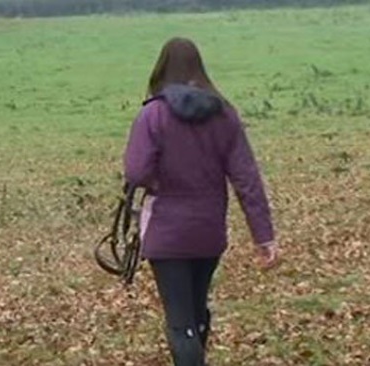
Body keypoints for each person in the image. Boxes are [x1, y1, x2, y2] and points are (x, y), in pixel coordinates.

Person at [123, 37, 278, 365]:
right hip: (209, 231)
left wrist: (156, 181)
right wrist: (263, 235)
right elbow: (246, 178)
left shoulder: (153, 115)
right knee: (197, 312)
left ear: (161, 68)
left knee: (181, 324)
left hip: (166, 232)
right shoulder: (225, 114)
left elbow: (136, 172)